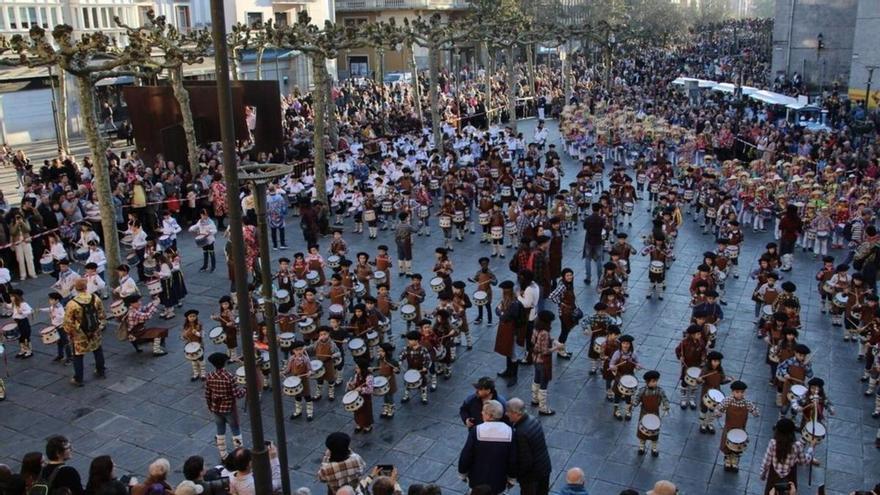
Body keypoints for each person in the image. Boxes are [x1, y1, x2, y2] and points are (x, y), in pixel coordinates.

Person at [457, 400, 516, 495]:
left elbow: (466, 455)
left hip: (477, 479)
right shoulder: (510, 432)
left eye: (484, 412)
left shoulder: (477, 430)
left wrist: (462, 473)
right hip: (499, 481)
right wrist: (512, 478)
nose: (481, 413)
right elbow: (512, 459)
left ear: (490, 416)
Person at [62, 278, 107, 386]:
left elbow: (68, 322)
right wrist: (99, 325)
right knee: (97, 350)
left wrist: (69, 332)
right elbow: (102, 314)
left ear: (76, 289)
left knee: (78, 355)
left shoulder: (72, 303)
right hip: (94, 330)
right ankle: (100, 370)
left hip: (79, 334)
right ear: (86, 287)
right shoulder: (95, 298)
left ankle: (78, 378)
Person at [505, 398, 552, 495]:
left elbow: (526, 461)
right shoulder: (533, 419)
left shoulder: (520, 432)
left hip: (531, 477)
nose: (506, 414)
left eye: (508, 412)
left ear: (516, 413)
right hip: (544, 467)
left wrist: (516, 475)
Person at [204, 352, 245, 459]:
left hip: (216, 408)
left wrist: (210, 406)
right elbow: (237, 394)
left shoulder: (210, 376)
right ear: (224, 363)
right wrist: (245, 389)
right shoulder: (229, 377)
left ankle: (223, 455)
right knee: (235, 430)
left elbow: (207, 394)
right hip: (229, 408)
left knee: (220, 431)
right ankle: (239, 455)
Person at [760, 418, 815, 494]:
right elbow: (804, 461)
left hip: (773, 477)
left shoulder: (773, 443)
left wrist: (762, 474)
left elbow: (766, 461)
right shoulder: (797, 446)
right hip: (790, 477)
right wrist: (811, 448)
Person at [582, 204, 605, 284]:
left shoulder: (588, 218)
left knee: (588, 259)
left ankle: (588, 277)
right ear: (599, 210)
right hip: (598, 240)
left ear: (592, 209)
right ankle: (599, 278)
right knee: (599, 260)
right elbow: (603, 227)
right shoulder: (602, 219)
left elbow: (584, 227)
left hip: (589, 240)